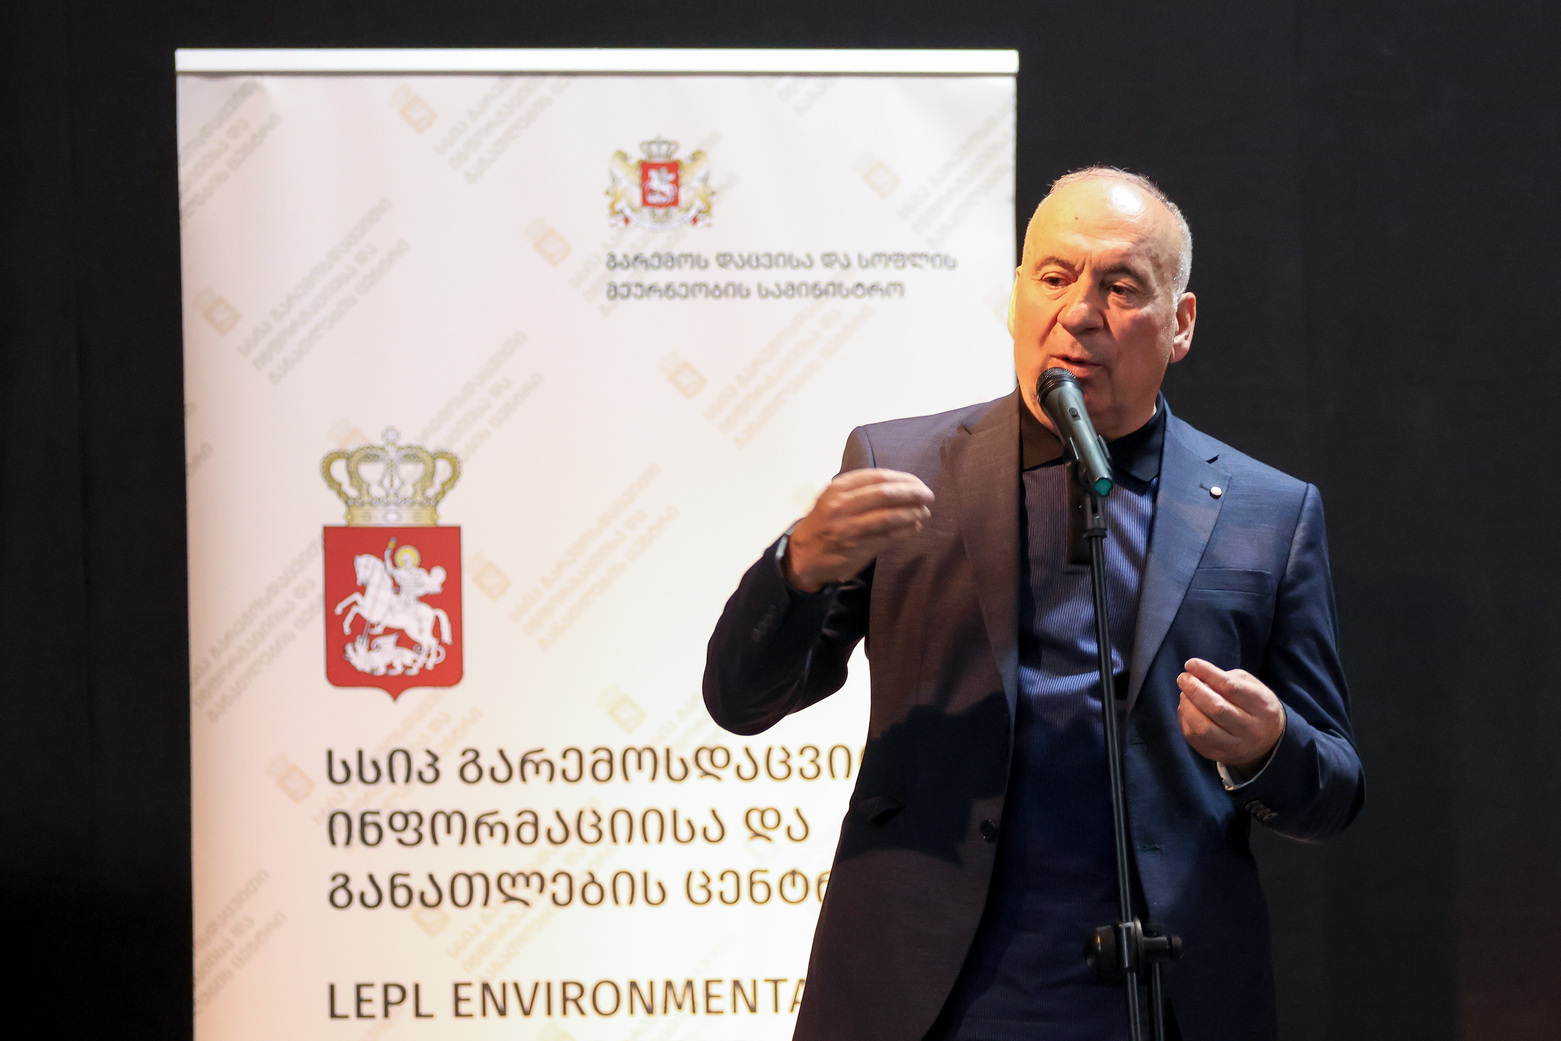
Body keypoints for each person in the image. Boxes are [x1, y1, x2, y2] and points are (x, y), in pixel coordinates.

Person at [703, 168, 1364, 1041]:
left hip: (1159, 996)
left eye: (1120, 285)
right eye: (1053, 276)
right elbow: (741, 702)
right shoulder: (899, 465)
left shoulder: (1266, 512)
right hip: (924, 990)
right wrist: (796, 572)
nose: (1078, 311)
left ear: (1179, 324)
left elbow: (1331, 791)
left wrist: (1265, 749)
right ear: (1016, 298)